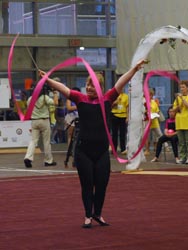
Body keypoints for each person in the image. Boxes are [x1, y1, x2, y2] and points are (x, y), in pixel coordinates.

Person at [39, 59, 146, 228]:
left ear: (100, 88)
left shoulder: (108, 99)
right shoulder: (80, 99)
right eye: (87, 85)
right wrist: (47, 79)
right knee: (87, 184)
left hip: (102, 151)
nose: (88, 88)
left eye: (92, 85)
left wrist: (133, 69)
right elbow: (64, 89)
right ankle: (88, 215)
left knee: (102, 184)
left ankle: (98, 213)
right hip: (84, 151)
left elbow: (121, 82)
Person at [24, 84, 58, 168]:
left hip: (34, 121)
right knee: (46, 141)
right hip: (44, 120)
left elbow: (28, 109)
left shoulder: (30, 99)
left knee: (33, 140)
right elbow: (56, 103)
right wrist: (55, 94)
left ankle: (28, 157)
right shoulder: (45, 98)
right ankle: (48, 161)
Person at [173, 80, 188, 164]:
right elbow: (173, 109)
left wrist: (182, 98)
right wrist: (178, 105)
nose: (181, 89)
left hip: (187, 122)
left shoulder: (182, 97)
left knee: (187, 141)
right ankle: (183, 157)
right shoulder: (178, 98)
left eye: (183, 87)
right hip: (179, 122)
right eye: (181, 87)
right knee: (181, 142)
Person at [111, 90, 129, 154]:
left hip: (123, 116)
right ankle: (114, 149)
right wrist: (115, 102)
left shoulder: (126, 96)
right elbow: (110, 105)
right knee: (114, 133)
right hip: (114, 115)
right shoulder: (113, 95)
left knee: (122, 133)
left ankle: (123, 149)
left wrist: (127, 117)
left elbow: (127, 107)